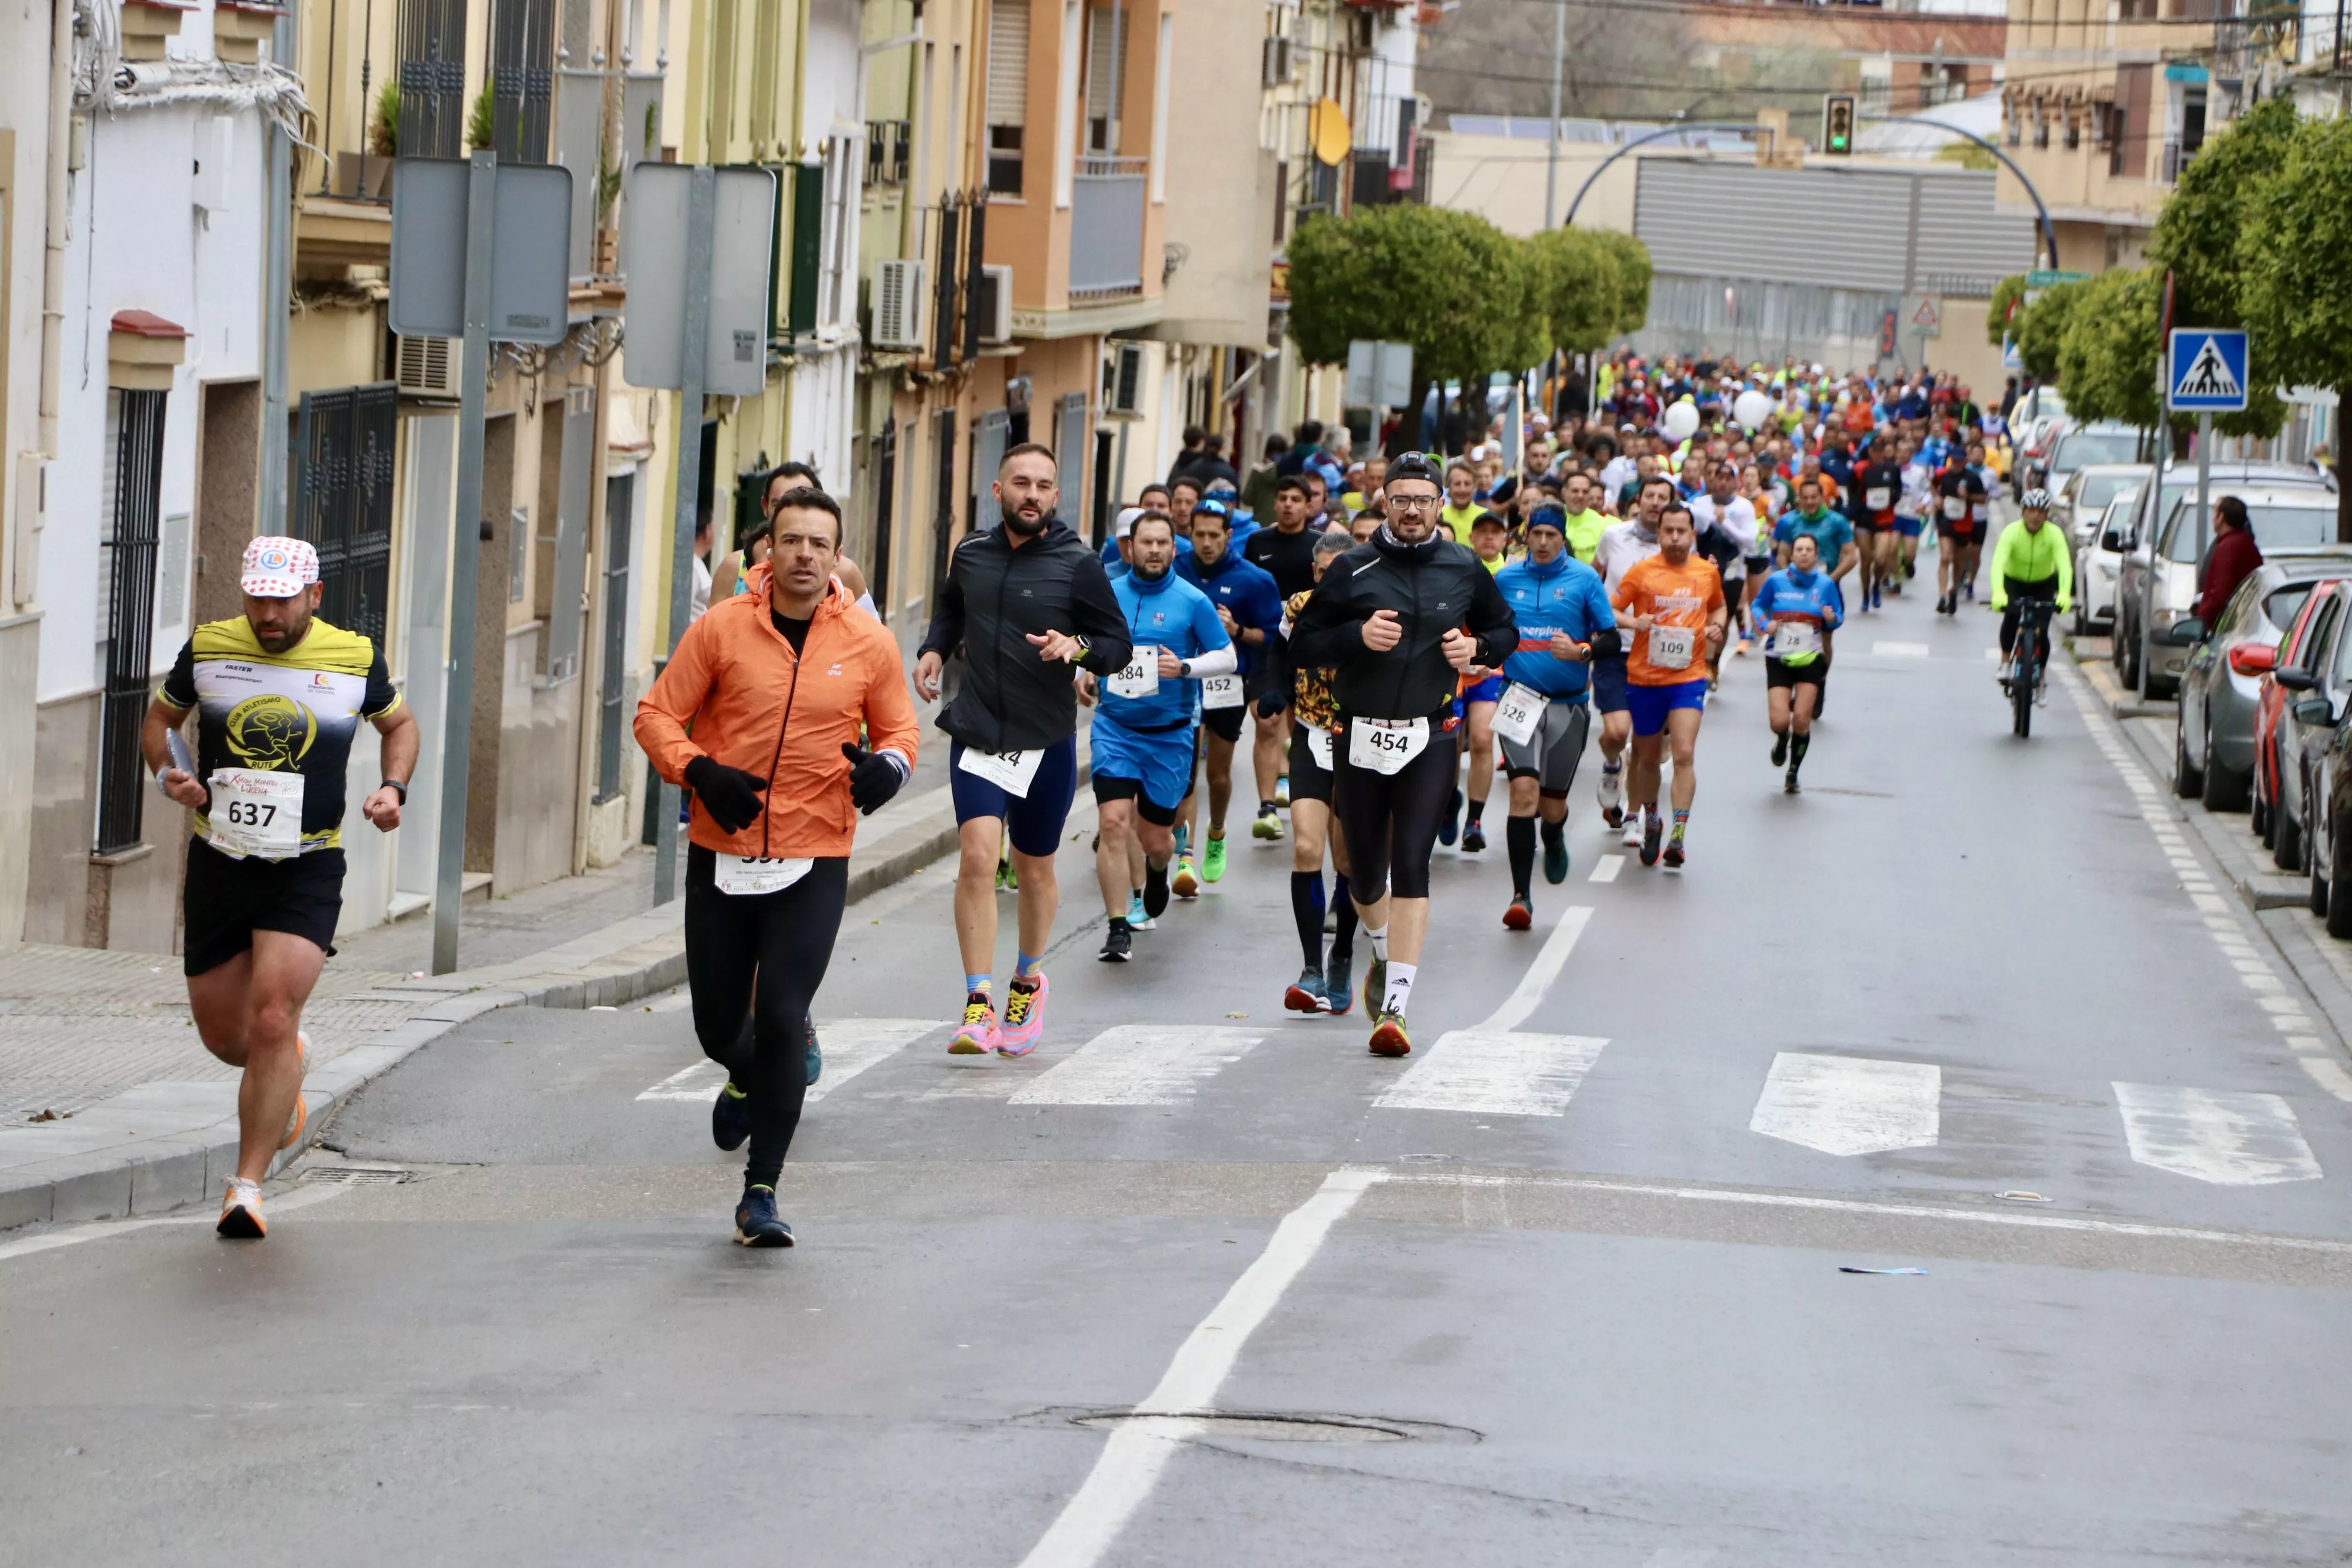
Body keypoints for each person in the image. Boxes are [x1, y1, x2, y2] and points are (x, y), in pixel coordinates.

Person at [636, 489, 915, 1246]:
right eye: (789, 540)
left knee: (786, 1018)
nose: (802, 555)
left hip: (815, 852)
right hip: (723, 851)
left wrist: (887, 771)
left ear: (836, 557)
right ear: (767, 549)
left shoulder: (867, 642)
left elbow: (899, 733)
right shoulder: (721, 628)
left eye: (817, 544)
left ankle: (761, 1192)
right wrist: (699, 772)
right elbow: (656, 715)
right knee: (721, 1026)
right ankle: (741, 1071)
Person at [145, 537, 418, 1239]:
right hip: (220, 859)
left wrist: (393, 787)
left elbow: (401, 726)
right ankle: (285, 1070)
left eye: (283, 600)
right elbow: (159, 724)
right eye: (257, 599)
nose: (268, 613)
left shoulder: (355, 657)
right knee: (227, 1036)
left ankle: (247, 1187)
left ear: (314, 596)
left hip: (307, 863)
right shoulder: (208, 647)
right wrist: (171, 772)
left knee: (272, 1017)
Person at [1289, 453, 1518, 1056]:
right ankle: (1380, 944)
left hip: (1431, 734)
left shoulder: (1464, 566)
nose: (1413, 509)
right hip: (1359, 734)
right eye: (1401, 499)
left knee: (1412, 858)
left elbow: (1506, 630)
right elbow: (1304, 642)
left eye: (1424, 499)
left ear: (1441, 506)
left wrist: (1477, 646)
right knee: (1364, 871)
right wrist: (1354, 638)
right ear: (1384, 503)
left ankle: (1395, 1008)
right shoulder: (1353, 568)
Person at [914, 443, 1133, 1058]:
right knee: (978, 858)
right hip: (980, 732)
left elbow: (1119, 643)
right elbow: (953, 605)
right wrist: (935, 647)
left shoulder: (1077, 563)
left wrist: (1078, 649)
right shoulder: (972, 554)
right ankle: (978, 1003)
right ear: (998, 490)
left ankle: (1027, 980)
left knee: (1034, 868)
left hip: (1045, 740)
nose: (1031, 494)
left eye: (1043, 485)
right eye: (1021, 483)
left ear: (1056, 497)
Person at [1083, 512, 1235, 962]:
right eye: (1145, 542)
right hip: (1114, 728)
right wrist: (1081, 673)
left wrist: (1185, 668)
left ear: (1174, 548)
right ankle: (1117, 926)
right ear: (1131, 547)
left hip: (1169, 737)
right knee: (1112, 822)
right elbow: (1085, 641)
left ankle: (1156, 870)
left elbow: (1226, 657)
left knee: (1157, 839)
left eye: (1162, 543)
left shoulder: (1192, 600)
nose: (1153, 550)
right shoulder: (1108, 594)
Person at [1492, 506, 1617, 928]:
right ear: (1525, 536)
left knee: (1551, 804)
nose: (1543, 542)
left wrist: (1582, 651)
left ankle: (1554, 835)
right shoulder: (1505, 579)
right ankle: (1521, 897)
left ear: (1563, 538)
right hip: (1518, 699)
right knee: (1522, 793)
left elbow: (1612, 639)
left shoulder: (1584, 579)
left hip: (1568, 704)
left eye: (1551, 535)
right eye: (1536, 534)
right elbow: (1486, 629)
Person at [1172, 501, 1281, 894]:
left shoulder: (1254, 580)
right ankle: (1185, 857)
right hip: (1183, 683)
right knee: (1185, 776)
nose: (1205, 543)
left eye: (1213, 536)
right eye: (1198, 534)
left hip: (1226, 684)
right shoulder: (1176, 570)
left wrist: (1236, 630)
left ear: (1228, 536)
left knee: (1217, 775)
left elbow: (1271, 638)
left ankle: (1216, 833)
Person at [1612, 504, 1727, 870]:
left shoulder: (1706, 572)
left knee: (1683, 754)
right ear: (1659, 534)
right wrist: (1634, 622)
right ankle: (1652, 817)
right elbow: (1608, 610)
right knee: (1647, 758)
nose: (1676, 538)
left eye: (1682, 531)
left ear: (1693, 535)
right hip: (1645, 679)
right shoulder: (1642, 572)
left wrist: (1717, 627)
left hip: (1688, 677)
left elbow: (1719, 608)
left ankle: (1678, 831)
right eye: (1669, 531)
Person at [1278, 528, 1366, 1012]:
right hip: (1312, 736)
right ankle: (1311, 969)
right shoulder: (1298, 608)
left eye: (1342, 571)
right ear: (1314, 574)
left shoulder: (1374, 610)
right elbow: (1278, 652)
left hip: (1357, 741)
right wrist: (1273, 692)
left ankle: (1343, 955)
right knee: (1307, 846)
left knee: (1348, 861)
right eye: (1324, 572)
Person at [1590, 475, 1672, 842]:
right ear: (1639, 501)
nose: (1655, 502)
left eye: (1662, 498)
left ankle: (1636, 816)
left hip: (1655, 656)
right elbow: (1596, 575)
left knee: (1644, 741)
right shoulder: (1614, 536)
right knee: (1616, 732)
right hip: (1615, 647)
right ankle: (1611, 764)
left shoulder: (1678, 545)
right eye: (1650, 496)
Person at [1243, 475, 1322, 841]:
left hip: (1307, 650)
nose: (1289, 505)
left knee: (1299, 726)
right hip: (1265, 648)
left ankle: (1293, 779)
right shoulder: (1258, 543)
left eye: (1296, 499)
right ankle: (1267, 807)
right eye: (1283, 499)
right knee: (1266, 722)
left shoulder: (1319, 546)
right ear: (1274, 504)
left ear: (1309, 506)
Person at [1752, 532, 1843, 793]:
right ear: (1792, 555)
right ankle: (1782, 739)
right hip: (1778, 657)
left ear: (1816, 556)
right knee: (1779, 721)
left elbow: (1838, 617)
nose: (1803, 554)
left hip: (1810, 658)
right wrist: (1764, 624)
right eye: (1799, 549)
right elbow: (1758, 606)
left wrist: (1830, 617)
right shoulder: (1777, 581)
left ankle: (1793, 772)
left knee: (1802, 719)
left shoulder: (1825, 585)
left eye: (1809, 550)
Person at [1989, 489, 2073, 691]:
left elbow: (2064, 566)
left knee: (2042, 631)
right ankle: (2004, 664)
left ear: (2046, 515)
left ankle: (2041, 678)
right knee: (2011, 617)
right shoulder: (2012, 532)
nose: (2035, 516)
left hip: (2043, 583)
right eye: (2031, 511)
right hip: (2014, 581)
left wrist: (2064, 594)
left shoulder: (2054, 534)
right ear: (2023, 512)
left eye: (2040, 512)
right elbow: (1998, 563)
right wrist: (1998, 592)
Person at [1933, 443, 1989, 615]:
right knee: (1945, 558)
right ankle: (1942, 596)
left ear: (1965, 461)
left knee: (1959, 562)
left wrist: (1969, 496)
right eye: (1954, 461)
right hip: (1946, 521)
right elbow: (1932, 485)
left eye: (1960, 461)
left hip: (1964, 524)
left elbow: (1983, 498)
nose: (1956, 464)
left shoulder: (1972, 478)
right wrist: (1936, 498)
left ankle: (1954, 590)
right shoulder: (1942, 474)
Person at [1850, 436, 1901, 613]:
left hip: (1884, 520)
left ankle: (1877, 584)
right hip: (1864, 520)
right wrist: (1858, 509)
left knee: (1880, 558)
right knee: (1866, 560)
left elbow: (1898, 490)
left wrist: (1890, 499)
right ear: (1870, 451)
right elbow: (1852, 492)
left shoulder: (1893, 469)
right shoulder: (1859, 468)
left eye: (1881, 450)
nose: (1878, 454)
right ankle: (1865, 594)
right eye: (1875, 450)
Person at [2194, 495, 2263, 623]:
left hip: (2224, 627)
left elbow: (2220, 595)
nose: (2213, 518)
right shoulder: (2247, 544)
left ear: (2221, 517)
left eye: (2215, 511)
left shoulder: (2228, 548)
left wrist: (2202, 620)